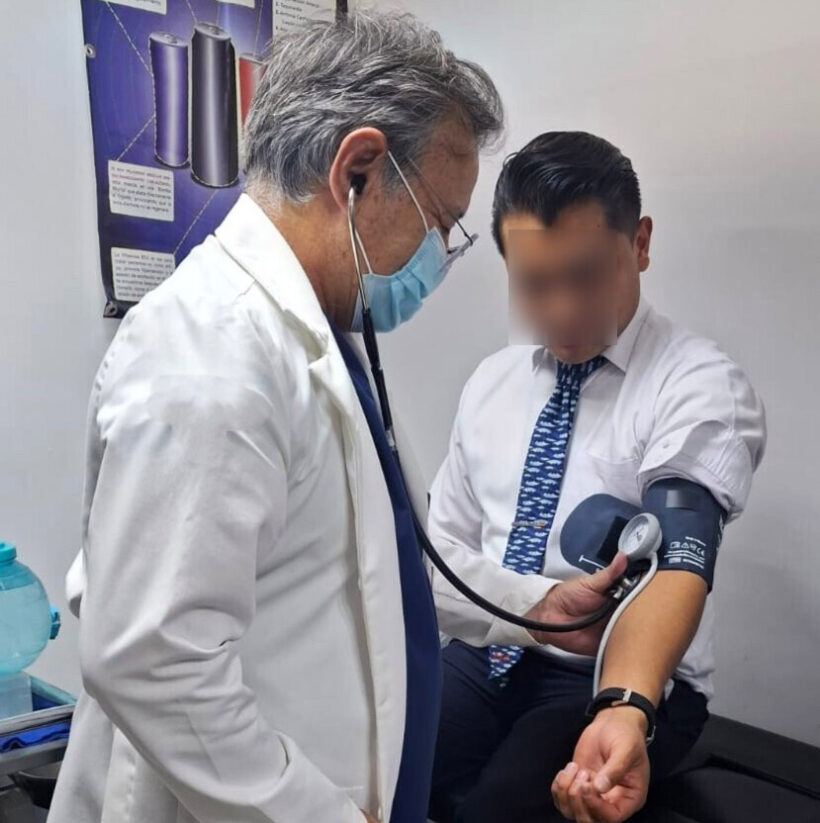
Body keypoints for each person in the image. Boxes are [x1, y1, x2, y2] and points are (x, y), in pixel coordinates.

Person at [48, 17, 627, 823]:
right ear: (356, 171)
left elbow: (377, 567)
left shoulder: (320, 335)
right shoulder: (212, 358)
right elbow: (152, 662)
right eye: (440, 222)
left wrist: (532, 607)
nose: (439, 254)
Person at [428, 131, 767, 823]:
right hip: (496, 648)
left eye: (585, 277)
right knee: (379, 770)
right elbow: (444, 555)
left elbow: (680, 559)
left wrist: (625, 704)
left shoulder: (695, 383)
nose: (560, 310)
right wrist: (526, 613)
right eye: (533, 283)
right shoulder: (491, 382)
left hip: (617, 677)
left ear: (639, 243)